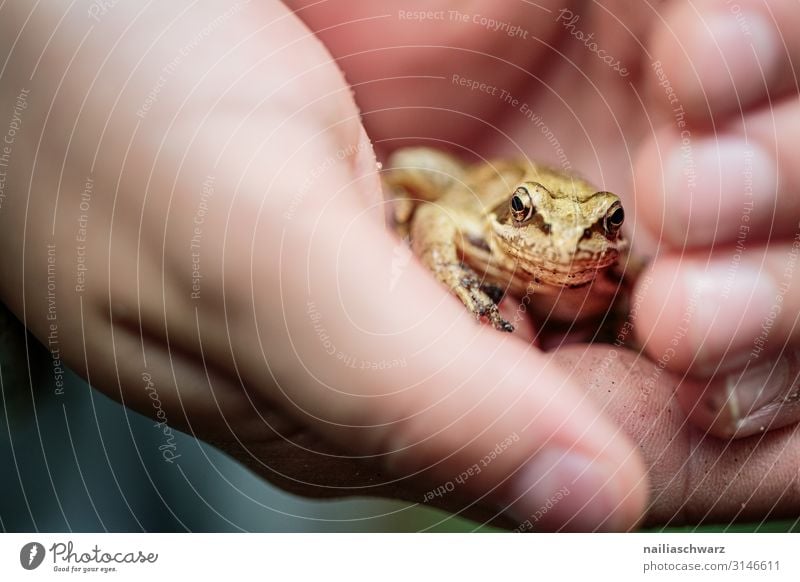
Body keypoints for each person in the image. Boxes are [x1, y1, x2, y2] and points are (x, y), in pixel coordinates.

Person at [0, 0, 797, 532]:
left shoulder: (601, 258)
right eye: (534, 227)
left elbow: (621, 260)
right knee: (419, 170)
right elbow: (447, 215)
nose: (565, 244)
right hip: (69, 446)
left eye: (602, 231)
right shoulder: (492, 224)